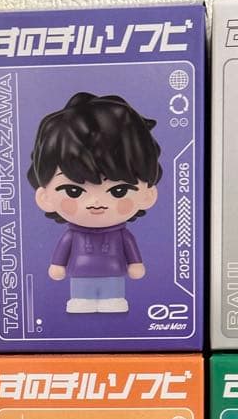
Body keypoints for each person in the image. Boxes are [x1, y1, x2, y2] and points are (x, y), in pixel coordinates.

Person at [28, 92, 162, 313]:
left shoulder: (122, 234)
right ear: (45, 198)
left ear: (147, 195)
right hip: (80, 274)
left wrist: (135, 264)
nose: (96, 201)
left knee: (113, 297)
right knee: (81, 297)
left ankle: (113, 300)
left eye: (118, 191)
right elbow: (62, 250)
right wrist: (57, 265)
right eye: (73, 191)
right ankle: (81, 300)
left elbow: (131, 249)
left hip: (113, 273)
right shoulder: (72, 235)